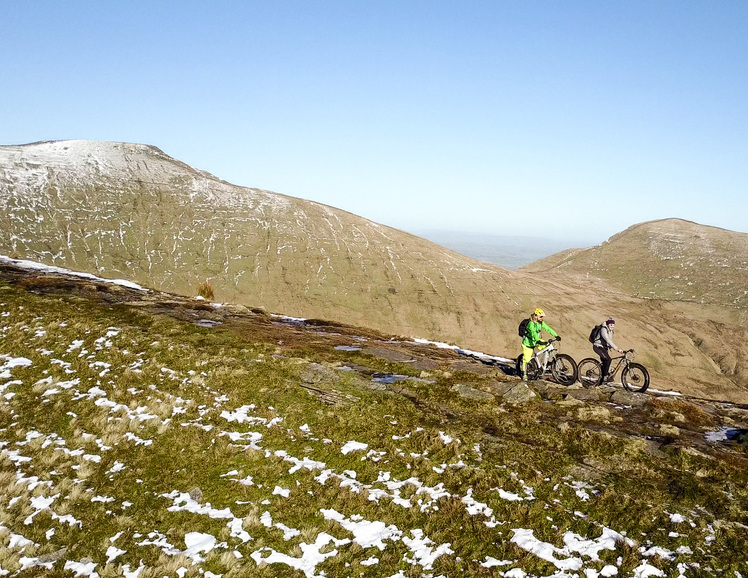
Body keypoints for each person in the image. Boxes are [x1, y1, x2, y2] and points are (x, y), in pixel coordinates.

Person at [521, 308, 560, 380]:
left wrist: (556, 335)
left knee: (547, 346)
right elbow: (533, 333)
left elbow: (548, 329)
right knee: (526, 359)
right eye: (541, 317)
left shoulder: (541, 323)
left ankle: (543, 364)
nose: (542, 318)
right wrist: (538, 340)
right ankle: (524, 374)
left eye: (542, 317)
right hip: (528, 344)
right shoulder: (531, 324)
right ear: (536, 316)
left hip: (536, 341)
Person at [592, 318, 624, 382]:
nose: (612, 326)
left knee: (605, 362)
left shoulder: (610, 331)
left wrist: (616, 348)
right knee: (608, 359)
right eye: (611, 325)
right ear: (608, 324)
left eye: (613, 325)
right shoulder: (603, 329)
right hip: (598, 346)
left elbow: (610, 341)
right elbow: (607, 340)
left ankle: (602, 378)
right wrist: (617, 349)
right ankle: (605, 377)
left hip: (604, 348)